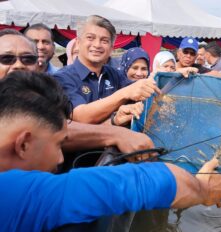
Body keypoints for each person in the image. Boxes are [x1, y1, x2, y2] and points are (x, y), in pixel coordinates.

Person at [0, 70, 221, 232]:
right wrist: (202, 188)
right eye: (60, 144)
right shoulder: (17, 194)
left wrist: (115, 130)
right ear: (23, 144)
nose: (61, 157)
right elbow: (150, 181)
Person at [0, 28, 154, 159]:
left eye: (28, 59)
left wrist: (114, 121)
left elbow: (63, 126)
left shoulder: (42, 92)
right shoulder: (62, 78)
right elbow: (55, 129)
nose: (19, 65)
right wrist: (116, 133)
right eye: (7, 59)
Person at [54, 15, 160, 125]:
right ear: (78, 43)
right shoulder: (62, 78)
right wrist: (124, 93)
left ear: (111, 48)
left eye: (104, 41)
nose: (97, 45)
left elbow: (140, 91)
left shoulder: (114, 75)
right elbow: (81, 116)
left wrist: (173, 76)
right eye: (90, 38)